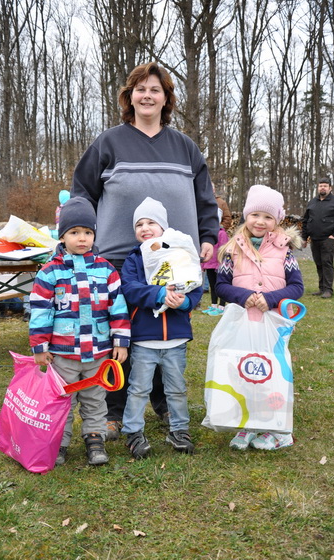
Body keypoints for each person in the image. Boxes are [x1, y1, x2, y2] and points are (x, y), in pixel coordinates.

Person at [71, 62, 219, 440]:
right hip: (119, 258)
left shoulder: (184, 146)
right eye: (140, 89)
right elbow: (82, 193)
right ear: (129, 96)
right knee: (121, 334)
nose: (147, 95)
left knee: (164, 330)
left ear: (166, 98)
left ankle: (166, 404)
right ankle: (115, 411)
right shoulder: (109, 142)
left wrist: (207, 235)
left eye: (155, 89)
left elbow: (205, 200)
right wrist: (78, 234)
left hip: (173, 259)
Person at [29, 197, 130, 467]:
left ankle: (94, 438)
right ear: (62, 237)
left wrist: (120, 340)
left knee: (96, 397)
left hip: (98, 349)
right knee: (62, 398)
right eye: (74, 233)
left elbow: (117, 307)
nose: (82, 238)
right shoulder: (50, 272)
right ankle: (58, 441)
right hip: (63, 352)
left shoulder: (106, 269)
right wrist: (40, 346)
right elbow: (40, 310)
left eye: (87, 232)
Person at [216, 184, 304, 451]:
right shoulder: (233, 248)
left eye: (268, 217)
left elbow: (297, 286)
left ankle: (276, 427)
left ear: (276, 220)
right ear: (246, 215)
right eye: (255, 215)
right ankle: (247, 424)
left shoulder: (284, 250)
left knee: (272, 374)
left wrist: (271, 298)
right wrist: (243, 296)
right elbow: (220, 285)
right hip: (243, 322)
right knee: (244, 371)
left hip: (272, 324)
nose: (261, 222)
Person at [120, 198, 202, 458]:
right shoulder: (135, 259)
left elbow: (196, 287)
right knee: (138, 389)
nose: (145, 228)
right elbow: (129, 288)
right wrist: (158, 294)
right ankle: (133, 431)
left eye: (151, 222)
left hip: (175, 339)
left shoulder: (180, 255)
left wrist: (185, 301)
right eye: (139, 224)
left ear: (164, 227)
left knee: (176, 388)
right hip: (144, 339)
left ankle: (179, 428)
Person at [301, 177, 334, 298]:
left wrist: (333, 235)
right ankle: (321, 288)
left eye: (325, 185)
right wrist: (304, 237)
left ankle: (328, 290)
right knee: (319, 263)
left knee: (327, 263)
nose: (322, 187)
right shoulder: (312, 202)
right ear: (318, 188)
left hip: (327, 239)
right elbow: (306, 220)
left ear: (330, 188)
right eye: (320, 186)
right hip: (314, 239)